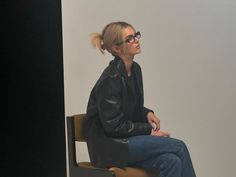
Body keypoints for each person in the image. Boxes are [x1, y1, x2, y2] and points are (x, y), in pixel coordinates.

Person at [84, 21, 196, 177]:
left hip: (125, 141)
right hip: (111, 147)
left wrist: (146, 113)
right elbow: (114, 127)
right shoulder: (110, 79)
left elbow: (129, 108)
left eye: (136, 35)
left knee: (171, 161)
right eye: (129, 38)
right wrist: (149, 131)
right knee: (179, 147)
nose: (136, 40)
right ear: (117, 48)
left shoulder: (135, 70)